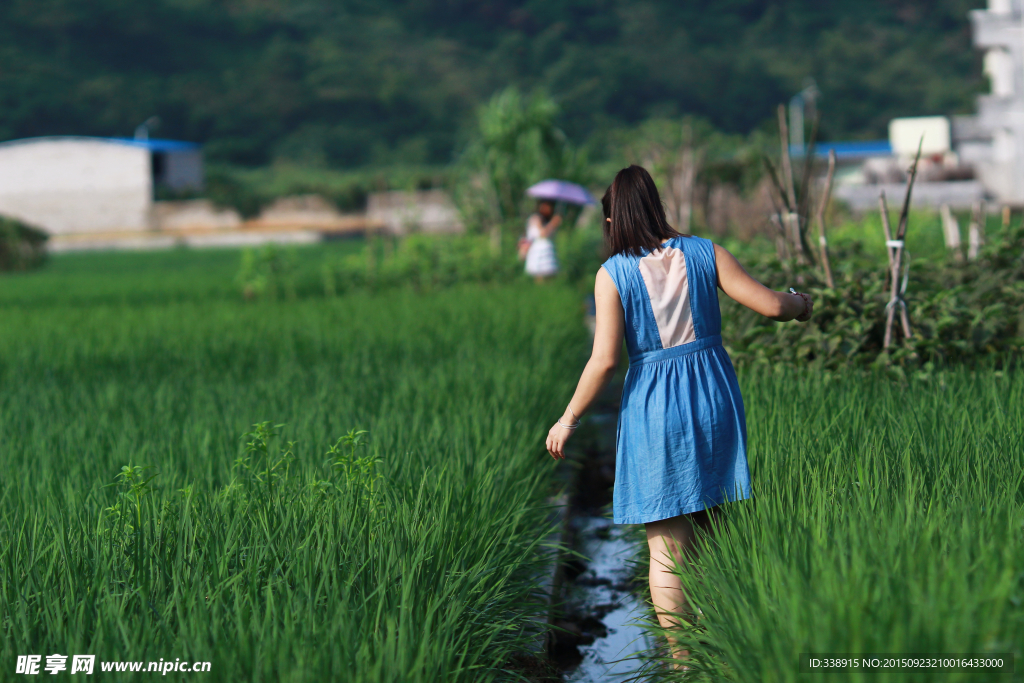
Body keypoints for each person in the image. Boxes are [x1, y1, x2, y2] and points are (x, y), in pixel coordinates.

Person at [545, 165, 813, 665]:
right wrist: (802, 302)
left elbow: (604, 360)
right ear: (657, 206)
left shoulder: (612, 274)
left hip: (652, 406)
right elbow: (773, 308)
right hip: (711, 396)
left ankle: (683, 660)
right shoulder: (706, 252)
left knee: (666, 551)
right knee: (712, 526)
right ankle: (720, 637)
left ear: (612, 221)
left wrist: (568, 419)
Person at [523, 200, 561, 282]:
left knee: (549, 275)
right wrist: (553, 223)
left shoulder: (549, 219)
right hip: (538, 249)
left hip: (547, 250)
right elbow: (542, 233)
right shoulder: (535, 218)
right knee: (539, 275)